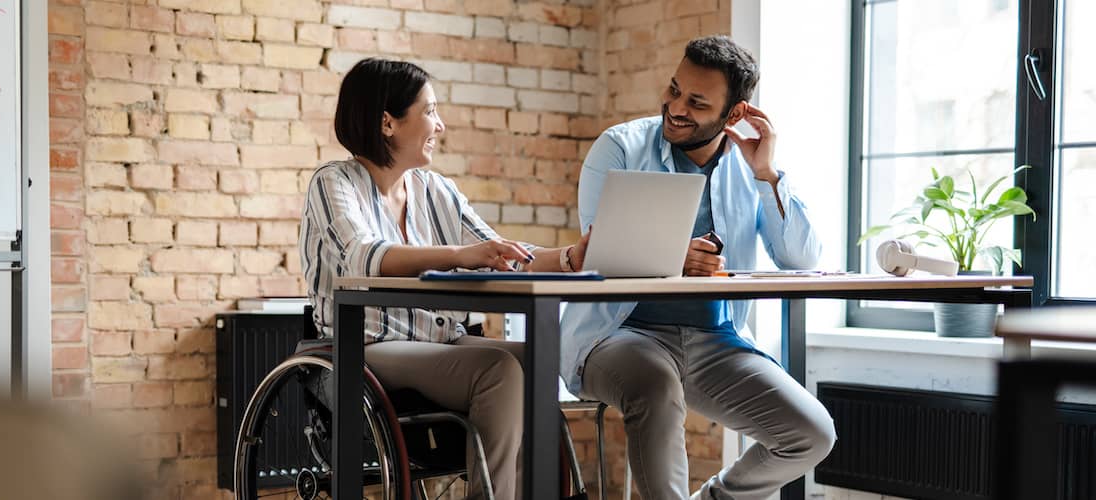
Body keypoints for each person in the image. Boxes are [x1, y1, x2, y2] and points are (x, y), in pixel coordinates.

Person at [299, 57, 590, 500]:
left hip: (436, 342)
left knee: (537, 358)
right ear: (387, 123)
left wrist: (573, 256)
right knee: (497, 370)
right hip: (361, 346)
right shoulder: (333, 182)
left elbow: (500, 254)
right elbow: (362, 256)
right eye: (430, 110)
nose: (441, 124)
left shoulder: (438, 191)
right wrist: (461, 255)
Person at [559, 36, 834, 500]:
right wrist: (672, 257)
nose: (675, 106)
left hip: (716, 344)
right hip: (618, 336)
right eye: (674, 90)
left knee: (810, 433)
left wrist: (767, 174)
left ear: (733, 115)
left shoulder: (749, 168)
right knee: (655, 381)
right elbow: (598, 251)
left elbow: (800, 259)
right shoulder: (619, 148)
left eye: (696, 102)